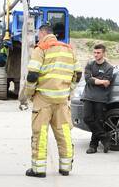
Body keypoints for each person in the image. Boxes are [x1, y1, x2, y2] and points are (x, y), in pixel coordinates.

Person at [23, 23, 82, 177]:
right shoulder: (69, 49)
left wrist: (29, 94)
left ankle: (39, 169)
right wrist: (69, 90)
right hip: (62, 99)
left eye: (38, 35)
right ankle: (66, 167)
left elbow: (32, 75)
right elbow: (78, 73)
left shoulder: (41, 49)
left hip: (43, 99)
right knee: (64, 133)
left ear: (42, 34)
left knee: (41, 133)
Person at [82, 43, 115, 154]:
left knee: (98, 122)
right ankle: (105, 137)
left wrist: (95, 79)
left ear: (103, 53)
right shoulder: (90, 65)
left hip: (101, 98)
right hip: (88, 96)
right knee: (87, 118)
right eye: (94, 52)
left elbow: (107, 83)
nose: (96, 55)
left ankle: (93, 146)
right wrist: (100, 81)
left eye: (98, 53)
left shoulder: (109, 68)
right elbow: (88, 79)